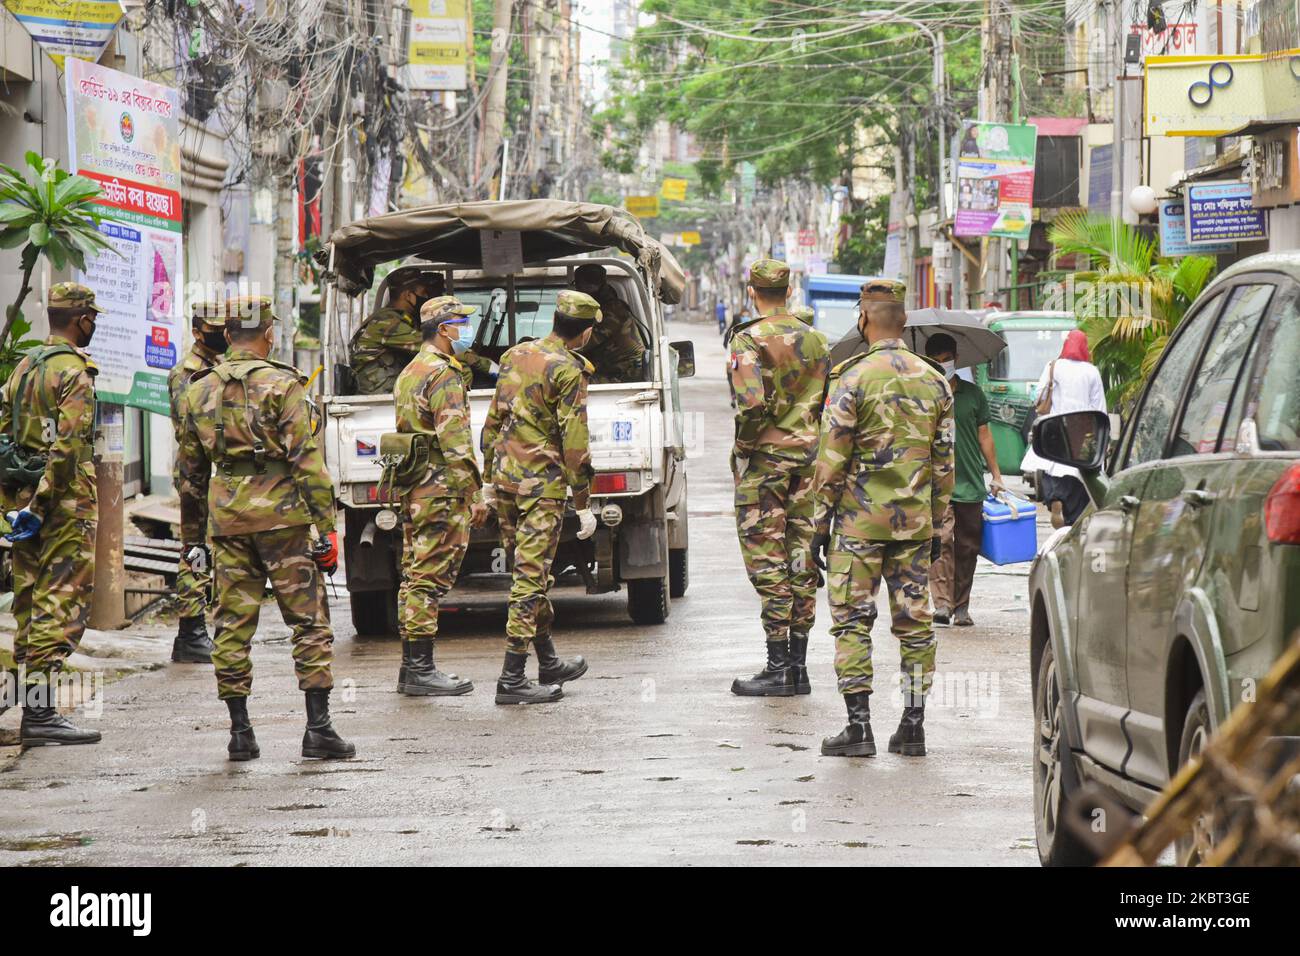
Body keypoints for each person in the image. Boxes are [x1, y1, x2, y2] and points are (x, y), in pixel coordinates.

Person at [177, 296, 353, 761]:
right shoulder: (283, 384)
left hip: (227, 518)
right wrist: (326, 528)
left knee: (231, 624)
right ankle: (318, 729)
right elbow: (307, 462)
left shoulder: (198, 390)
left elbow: (189, 476)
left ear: (228, 334)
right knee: (309, 621)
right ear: (269, 333)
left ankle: (240, 734)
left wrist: (192, 540)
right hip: (283, 517)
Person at [810, 279, 954, 758]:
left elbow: (831, 460)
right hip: (913, 527)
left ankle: (859, 728)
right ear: (905, 322)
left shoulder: (850, 377)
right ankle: (913, 726)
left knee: (852, 622)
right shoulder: (935, 380)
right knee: (916, 624)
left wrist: (817, 524)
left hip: (857, 528)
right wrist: (936, 523)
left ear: (863, 319)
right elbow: (943, 463)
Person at [481, 290, 601, 705]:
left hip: (507, 481)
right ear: (585, 333)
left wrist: (486, 478)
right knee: (530, 582)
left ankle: (547, 660)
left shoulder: (516, 355)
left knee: (528, 576)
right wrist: (583, 502)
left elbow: (494, 418)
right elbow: (575, 443)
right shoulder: (569, 371)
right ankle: (512, 679)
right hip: (542, 489)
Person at [0, 283, 102, 746]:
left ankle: (25, 704)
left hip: (22, 502)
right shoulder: (74, 373)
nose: (94, 325)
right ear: (80, 320)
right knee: (59, 602)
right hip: (61, 506)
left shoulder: (24, 367)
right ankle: (39, 716)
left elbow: (6, 435)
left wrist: (16, 504)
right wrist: (42, 506)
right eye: (92, 318)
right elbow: (67, 448)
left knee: (29, 600)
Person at [728, 258, 830, 698]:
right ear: (789, 291)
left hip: (766, 465)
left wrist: (746, 447)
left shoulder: (747, 339)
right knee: (801, 558)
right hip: (808, 461)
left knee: (767, 562)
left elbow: (750, 406)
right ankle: (799, 666)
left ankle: (776, 665)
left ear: (753, 292)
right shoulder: (818, 341)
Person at [392, 296, 488, 697]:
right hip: (440, 487)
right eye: (461, 323)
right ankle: (419, 670)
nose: (466, 329)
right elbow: (455, 441)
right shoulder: (443, 374)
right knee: (429, 577)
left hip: (417, 485)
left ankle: (412, 666)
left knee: (415, 572)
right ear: (444, 329)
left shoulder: (410, 371)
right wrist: (475, 493)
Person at [924, 333, 1005, 627]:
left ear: (956, 359)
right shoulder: (925, 395)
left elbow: (985, 436)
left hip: (970, 482)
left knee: (967, 546)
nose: (943, 364)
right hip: (937, 483)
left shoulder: (973, 395)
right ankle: (942, 604)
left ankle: (961, 606)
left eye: (947, 359)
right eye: (937, 361)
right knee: (942, 541)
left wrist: (996, 474)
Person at [165, 300, 228, 664]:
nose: (220, 335)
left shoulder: (217, 368)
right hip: (195, 475)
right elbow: (192, 427)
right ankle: (190, 631)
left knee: (210, 549)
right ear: (197, 331)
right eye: (213, 329)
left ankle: (198, 628)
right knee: (196, 550)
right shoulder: (186, 373)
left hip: (213, 473)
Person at [1023, 329, 1105, 527]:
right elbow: (1099, 406)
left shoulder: (1054, 366)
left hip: (1055, 429)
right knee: (1078, 476)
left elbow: (1037, 396)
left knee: (1054, 468)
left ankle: (1056, 501)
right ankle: (1073, 516)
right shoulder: (1091, 371)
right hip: (1082, 431)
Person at [348, 270, 439, 394]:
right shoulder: (387, 322)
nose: (426, 298)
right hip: (379, 399)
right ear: (408, 296)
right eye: (423, 293)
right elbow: (433, 345)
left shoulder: (399, 319)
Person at [572, 263, 646, 383]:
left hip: (627, 374)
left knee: (571, 381)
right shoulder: (595, 309)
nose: (579, 291)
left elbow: (583, 343)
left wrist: (551, 348)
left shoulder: (613, 310)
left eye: (581, 287)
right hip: (612, 369)